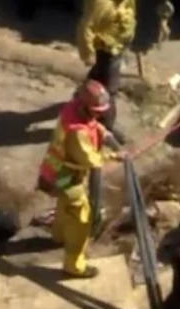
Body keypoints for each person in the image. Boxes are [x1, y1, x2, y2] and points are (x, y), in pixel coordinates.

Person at [38, 81, 124, 279]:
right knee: (81, 220)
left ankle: (58, 236)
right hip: (69, 178)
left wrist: (108, 137)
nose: (98, 114)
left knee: (64, 206)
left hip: (55, 173)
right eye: (95, 111)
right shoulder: (78, 133)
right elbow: (90, 160)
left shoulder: (72, 110)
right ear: (85, 106)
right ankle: (74, 266)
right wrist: (115, 156)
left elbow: (94, 126)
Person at [77, 0, 136, 142]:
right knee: (110, 92)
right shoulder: (101, 4)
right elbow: (85, 28)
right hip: (107, 49)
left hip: (119, 42)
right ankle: (106, 130)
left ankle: (81, 101)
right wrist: (87, 54)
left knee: (97, 77)